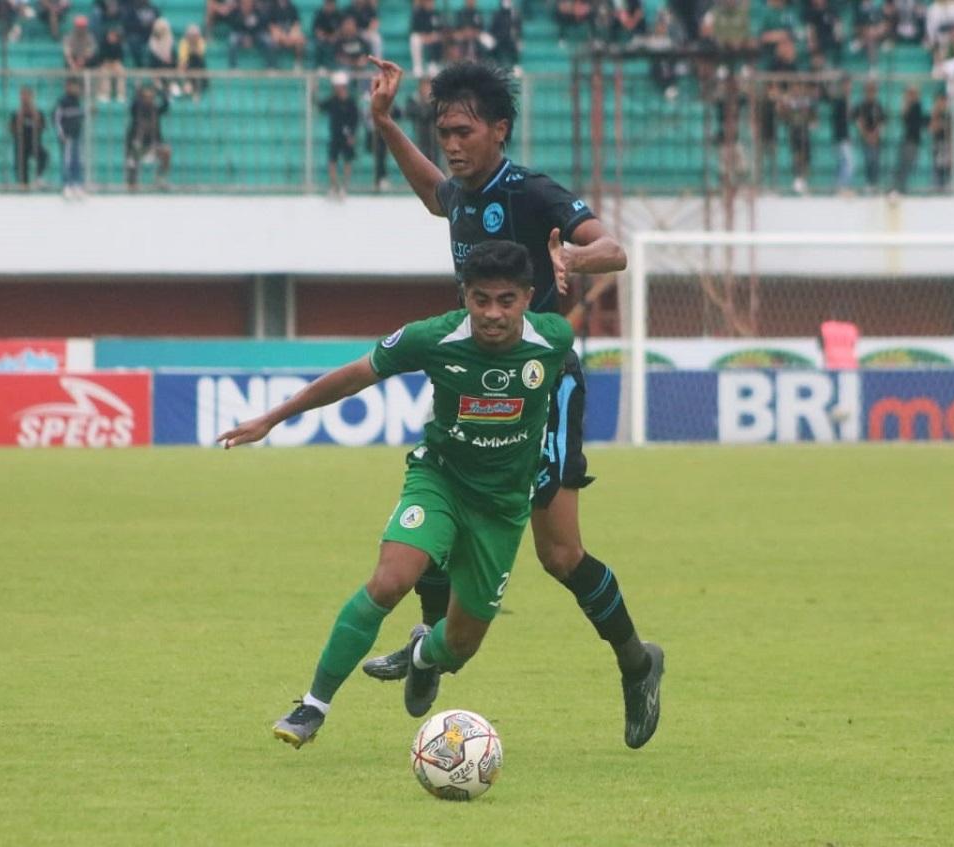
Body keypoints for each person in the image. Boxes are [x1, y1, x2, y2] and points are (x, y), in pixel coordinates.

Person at [362, 58, 664, 749]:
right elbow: (437, 197)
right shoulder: (463, 191)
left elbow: (611, 248)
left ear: (500, 130)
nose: (451, 143)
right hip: (473, 377)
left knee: (559, 555)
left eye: (464, 130)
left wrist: (574, 263)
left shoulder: (530, 191)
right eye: (442, 131)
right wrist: (383, 124)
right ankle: (428, 642)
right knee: (441, 499)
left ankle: (637, 660)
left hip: (541, 383)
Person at [222, 241, 577, 748]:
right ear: (464, 297)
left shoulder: (554, 338)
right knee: (389, 580)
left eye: (505, 300)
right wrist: (271, 418)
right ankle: (313, 706)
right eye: (480, 300)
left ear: (527, 297)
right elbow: (353, 376)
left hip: (501, 507)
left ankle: (422, 657)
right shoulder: (433, 337)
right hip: (440, 481)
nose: (492, 314)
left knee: (459, 645)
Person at [318, 70, 358, 197]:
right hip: (335, 135)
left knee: (347, 160)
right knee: (332, 160)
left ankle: (344, 186)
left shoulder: (351, 102)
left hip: (347, 136)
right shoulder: (333, 100)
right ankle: (334, 186)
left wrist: (352, 135)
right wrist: (314, 90)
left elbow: (355, 120)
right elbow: (320, 106)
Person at [124, 81, 170, 190]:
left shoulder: (156, 110)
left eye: (151, 97)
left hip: (153, 144)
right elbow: (134, 103)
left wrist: (159, 90)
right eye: (146, 97)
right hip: (138, 144)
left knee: (166, 152)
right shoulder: (136, 110)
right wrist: (138, 90)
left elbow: (166, 105)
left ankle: (160, 179)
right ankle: (132, 183)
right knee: (132, 156)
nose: (149, 99)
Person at [9, 84, 49, 187]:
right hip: (21, 144)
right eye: (22, 95)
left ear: (31, 97)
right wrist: (19, 119)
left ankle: (38, 177)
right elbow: (12, 130)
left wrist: (35, 117)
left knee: (44, 155)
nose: (25, 98)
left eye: (27, 95)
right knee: (21, 164)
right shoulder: (16, 113)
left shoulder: (38, 113)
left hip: (34, 143)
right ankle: (23, 184)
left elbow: (43, 127)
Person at [852, 79, 887, 192]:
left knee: (875, 161)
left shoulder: (878, 105)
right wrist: (866, 135)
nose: (871, 93)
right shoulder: (861, 106)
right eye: (869, 90)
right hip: (865, 138)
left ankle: (875, 183)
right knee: (868, 160)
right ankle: (869, 183)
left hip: (876, 139)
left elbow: (882, 122)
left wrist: (876, 135)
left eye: (873, 91)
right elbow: (858, 121)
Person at [53, 75, 85, 197]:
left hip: (77, 136)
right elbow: (57, 118)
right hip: (67, 137)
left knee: (78, 161)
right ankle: (67, 184)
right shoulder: (62, 102)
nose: (76, 89)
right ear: (67, 87)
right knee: (67, 161)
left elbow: (79, 117)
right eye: (73, 86)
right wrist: (61, 133)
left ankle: (77, 184)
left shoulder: (77, 102)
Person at [892, 84, 924, 196]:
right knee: (904, 164)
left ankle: (900, 186)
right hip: (909, 139)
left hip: (913, 140)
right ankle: (899, 187)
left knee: (907, 164)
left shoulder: (917, 106)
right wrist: (905, 101)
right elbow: (904, 117)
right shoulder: (911, 106)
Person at [928, 88, 952, 190]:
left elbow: (951, 132)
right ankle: (937, 186)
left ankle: (945, 186)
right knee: (938, 167)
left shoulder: (949, 115)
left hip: (946, 144)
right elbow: (932, 129)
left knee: (946, 167)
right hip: (938, 143)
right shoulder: (934, 114)